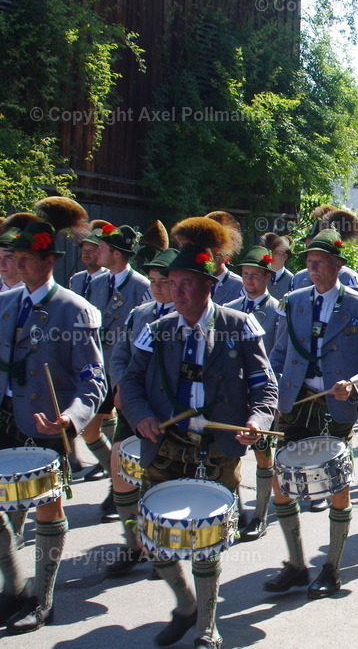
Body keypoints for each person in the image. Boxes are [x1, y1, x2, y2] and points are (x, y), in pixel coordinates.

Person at [120, 216, 277, 649]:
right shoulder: (156, 330)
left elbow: (264, 385)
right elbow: (131, 382)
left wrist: (257, 422)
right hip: (165, 445)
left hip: (217, 449)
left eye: (188, 283)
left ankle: (207, 625)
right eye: (173, 283)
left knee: (207, 542)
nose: (178, 291)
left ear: (209, 285)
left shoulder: (240, 325)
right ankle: (185, 605)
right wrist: (141, 416)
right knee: (155, 540)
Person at [263, 211, 358, 598]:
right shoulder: (294, 302)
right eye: (309, 264)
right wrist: (275, 397)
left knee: (336, 484)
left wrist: (355, 382)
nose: (312, 270)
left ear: (337, 265)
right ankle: (297, 564)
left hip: (337, 404)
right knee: (283, 481)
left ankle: (331, 566)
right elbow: (279, 354)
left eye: (320, 264)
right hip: (296, 402)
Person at [0, 197, 106, 634]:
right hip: (5, 419)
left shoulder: (73, 309)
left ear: (47, 261)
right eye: (11, 258)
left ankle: (42, 600)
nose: (13, 265)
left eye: (22, 258)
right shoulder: (5, 305)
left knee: (47, 506)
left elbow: (93, 380)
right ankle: (14, 584)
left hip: (48, 424)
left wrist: (71, 418)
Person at [105, 246, 178, 577]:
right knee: (121, 468)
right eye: (152, 281)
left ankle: (160, 545)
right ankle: (133, 542)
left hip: (170, 410)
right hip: (136, 405)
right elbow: (119, 356)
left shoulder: (188, 316)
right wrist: (120, 386)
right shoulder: (139, 314)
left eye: (163, 281)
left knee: (161, 477)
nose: (156, 287)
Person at [87, 222, 153, 518]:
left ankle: (123, 491)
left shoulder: (141, 286)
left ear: (116, 253)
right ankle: (115, 479)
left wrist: (122, 385)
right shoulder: (97, 283)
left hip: (127, 375)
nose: (96, 252)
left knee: (126, 440)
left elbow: (144, 339)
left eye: (101, 248)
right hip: (99, 368)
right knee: (89, 428)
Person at [226, 245, 283, 542]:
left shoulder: (278, 310)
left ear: (267, 278)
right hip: (233, 392)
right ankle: (234, 511)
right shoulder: (230, 308)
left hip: (261, 393)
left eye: (255, 275)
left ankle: (260, 514)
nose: (249, 280)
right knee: (230, 453)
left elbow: (280, 352)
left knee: (263, 453)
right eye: (245, 274)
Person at [203, 211, 245, 304]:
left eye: (213, 256)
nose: (207, 261)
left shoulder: (239, 286)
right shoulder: (197, 282)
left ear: (225, 258)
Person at [261, 232, 294, 300]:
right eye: (270, 252)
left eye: (276, 253)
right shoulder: (261, 276)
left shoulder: (291, 279)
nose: (271, 256)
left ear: (285, 256)